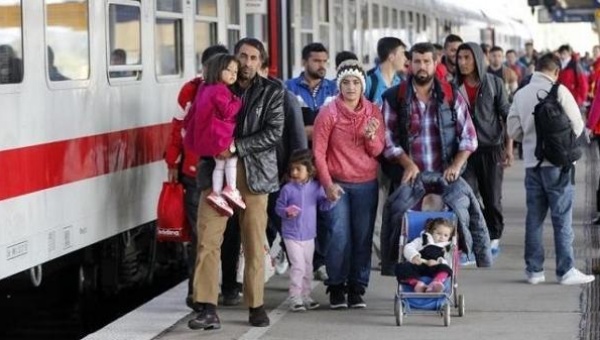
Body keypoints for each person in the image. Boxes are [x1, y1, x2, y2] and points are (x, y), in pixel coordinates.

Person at [188, 37, 284, 330]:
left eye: (254, 58)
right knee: (208, 240)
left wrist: (237, 147)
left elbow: (274, 131)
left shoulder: (272, 91)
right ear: (235, 57)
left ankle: (256, 306)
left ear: (261, 62)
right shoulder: (216, 85)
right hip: (215, 172)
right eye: (243, 56)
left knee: (254, 242)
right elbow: (197, 121)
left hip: (254, 175)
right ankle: (206, 307)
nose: (247, 62)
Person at [379, 42, 489, 274]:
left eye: (427, 61)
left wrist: (457, 164)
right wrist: (406, 162)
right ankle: (405, 274)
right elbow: (386, 141)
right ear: (410, 64)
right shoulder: (393, 97)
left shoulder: (451, 95)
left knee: (462, 212)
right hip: (410, 180)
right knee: (399, 219)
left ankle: (453, 268)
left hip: (445, 177)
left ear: (435, 63)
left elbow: (469, 137)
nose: (422, 66)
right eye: (417, 61)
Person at [165, 44, 243, 310]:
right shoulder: (193, 90)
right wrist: (172, 161)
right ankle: (197, 293)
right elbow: (179, 126)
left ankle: (227, 286)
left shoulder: (229, 88)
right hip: (195, 170)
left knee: (228, 234)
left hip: (214, 165)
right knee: (201, 235)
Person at [507, 53, 594, 285]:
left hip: (531, 166)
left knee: (534, 218)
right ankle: (566, 271)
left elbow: (513, 130)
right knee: (561, 217)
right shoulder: (560, 91)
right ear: (556, 71)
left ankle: (534, 271)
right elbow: (577, 125)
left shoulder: (521, 94)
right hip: (558, 166)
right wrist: (560, 146)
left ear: (535, 68)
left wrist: (530, 138)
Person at [313, 59, 385, 309]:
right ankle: (336, 286)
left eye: (356, 82)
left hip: (366, 183)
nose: (351, 87)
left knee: (362, 238)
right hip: (338, 184)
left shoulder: (374, 111)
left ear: (363, 86)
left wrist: (371, 137)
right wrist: (327, 185)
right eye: (346, 82)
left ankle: (357, 287)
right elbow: (319, 153)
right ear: (339, 86)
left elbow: (377, 151)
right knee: (338, 235)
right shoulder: (329, 113)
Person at [285, 42, 338, 281]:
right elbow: (285, 126)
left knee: (326, 215)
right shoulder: (288, 89)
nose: (322, 65)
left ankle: (320, 261)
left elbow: (338, 125)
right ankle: (296, 260)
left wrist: (313, 130)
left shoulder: (334, 89)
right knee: (297, 214)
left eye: (325, 61)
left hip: (326, 161)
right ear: (305, 61)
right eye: (317, 61)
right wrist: (316, 130)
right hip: (298, 161)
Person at [456, 42, 512, 259]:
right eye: (460, 58)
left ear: (477, 58)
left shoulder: (494, 83)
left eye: (467, 58)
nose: (462, 62)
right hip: (464, 151)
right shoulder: (453, 86)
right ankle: (476, 235)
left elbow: (506, 114)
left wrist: (508, 147)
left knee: (492, 197)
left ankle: (494, 236)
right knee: (466, 194)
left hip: (491, 149)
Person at [184, 54, 245, 217]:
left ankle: (217, 193)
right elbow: (227, 111)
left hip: (206, 136)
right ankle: (231, 189)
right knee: (231, 159)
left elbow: (192, 112)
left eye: (236, 71)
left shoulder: (204, 87)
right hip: (219, 137)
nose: (233, 74)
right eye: (229, 70)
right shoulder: (221, 90)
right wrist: (237, 102)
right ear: (217, 70)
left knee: (219, 165)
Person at [275, 149, 334, 312]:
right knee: (298, 265)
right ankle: (295, 296)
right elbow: (278, 207)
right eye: (292, 169)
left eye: (298, 169)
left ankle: (305, 295)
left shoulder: (316, 187)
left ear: (310, 170)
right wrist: (286, 212)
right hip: (291, 235)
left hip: (309, 235)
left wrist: (331, 199)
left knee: (308, 266)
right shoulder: (287, 189)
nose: (294, 172)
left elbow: (323, 205)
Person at [394, 218, 454, 293]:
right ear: (432, 232)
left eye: (446, 235)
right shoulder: (423, 240)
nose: (442, 237)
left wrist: (439, 262)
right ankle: (416, 283)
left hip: (435, 267)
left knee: (446, 269)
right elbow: (408, 247)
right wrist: (414, 256)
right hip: (419, 264)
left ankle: (436, 283)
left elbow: (449, 261)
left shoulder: (447, 247)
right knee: (401, 267)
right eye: (438, 233)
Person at [364, 37, 407, 105]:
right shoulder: (368, 82)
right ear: (391, 57)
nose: (405, 58)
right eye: (402, 53)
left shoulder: (401, 83)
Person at [557, 44, 588, 109]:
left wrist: (580, 98)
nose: (562, 55)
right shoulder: (558, 65)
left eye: (564, 53)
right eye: (561, 53)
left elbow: (583, 83)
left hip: (574, 98)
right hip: (561, 97)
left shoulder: (576, 65)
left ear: (569, 53)